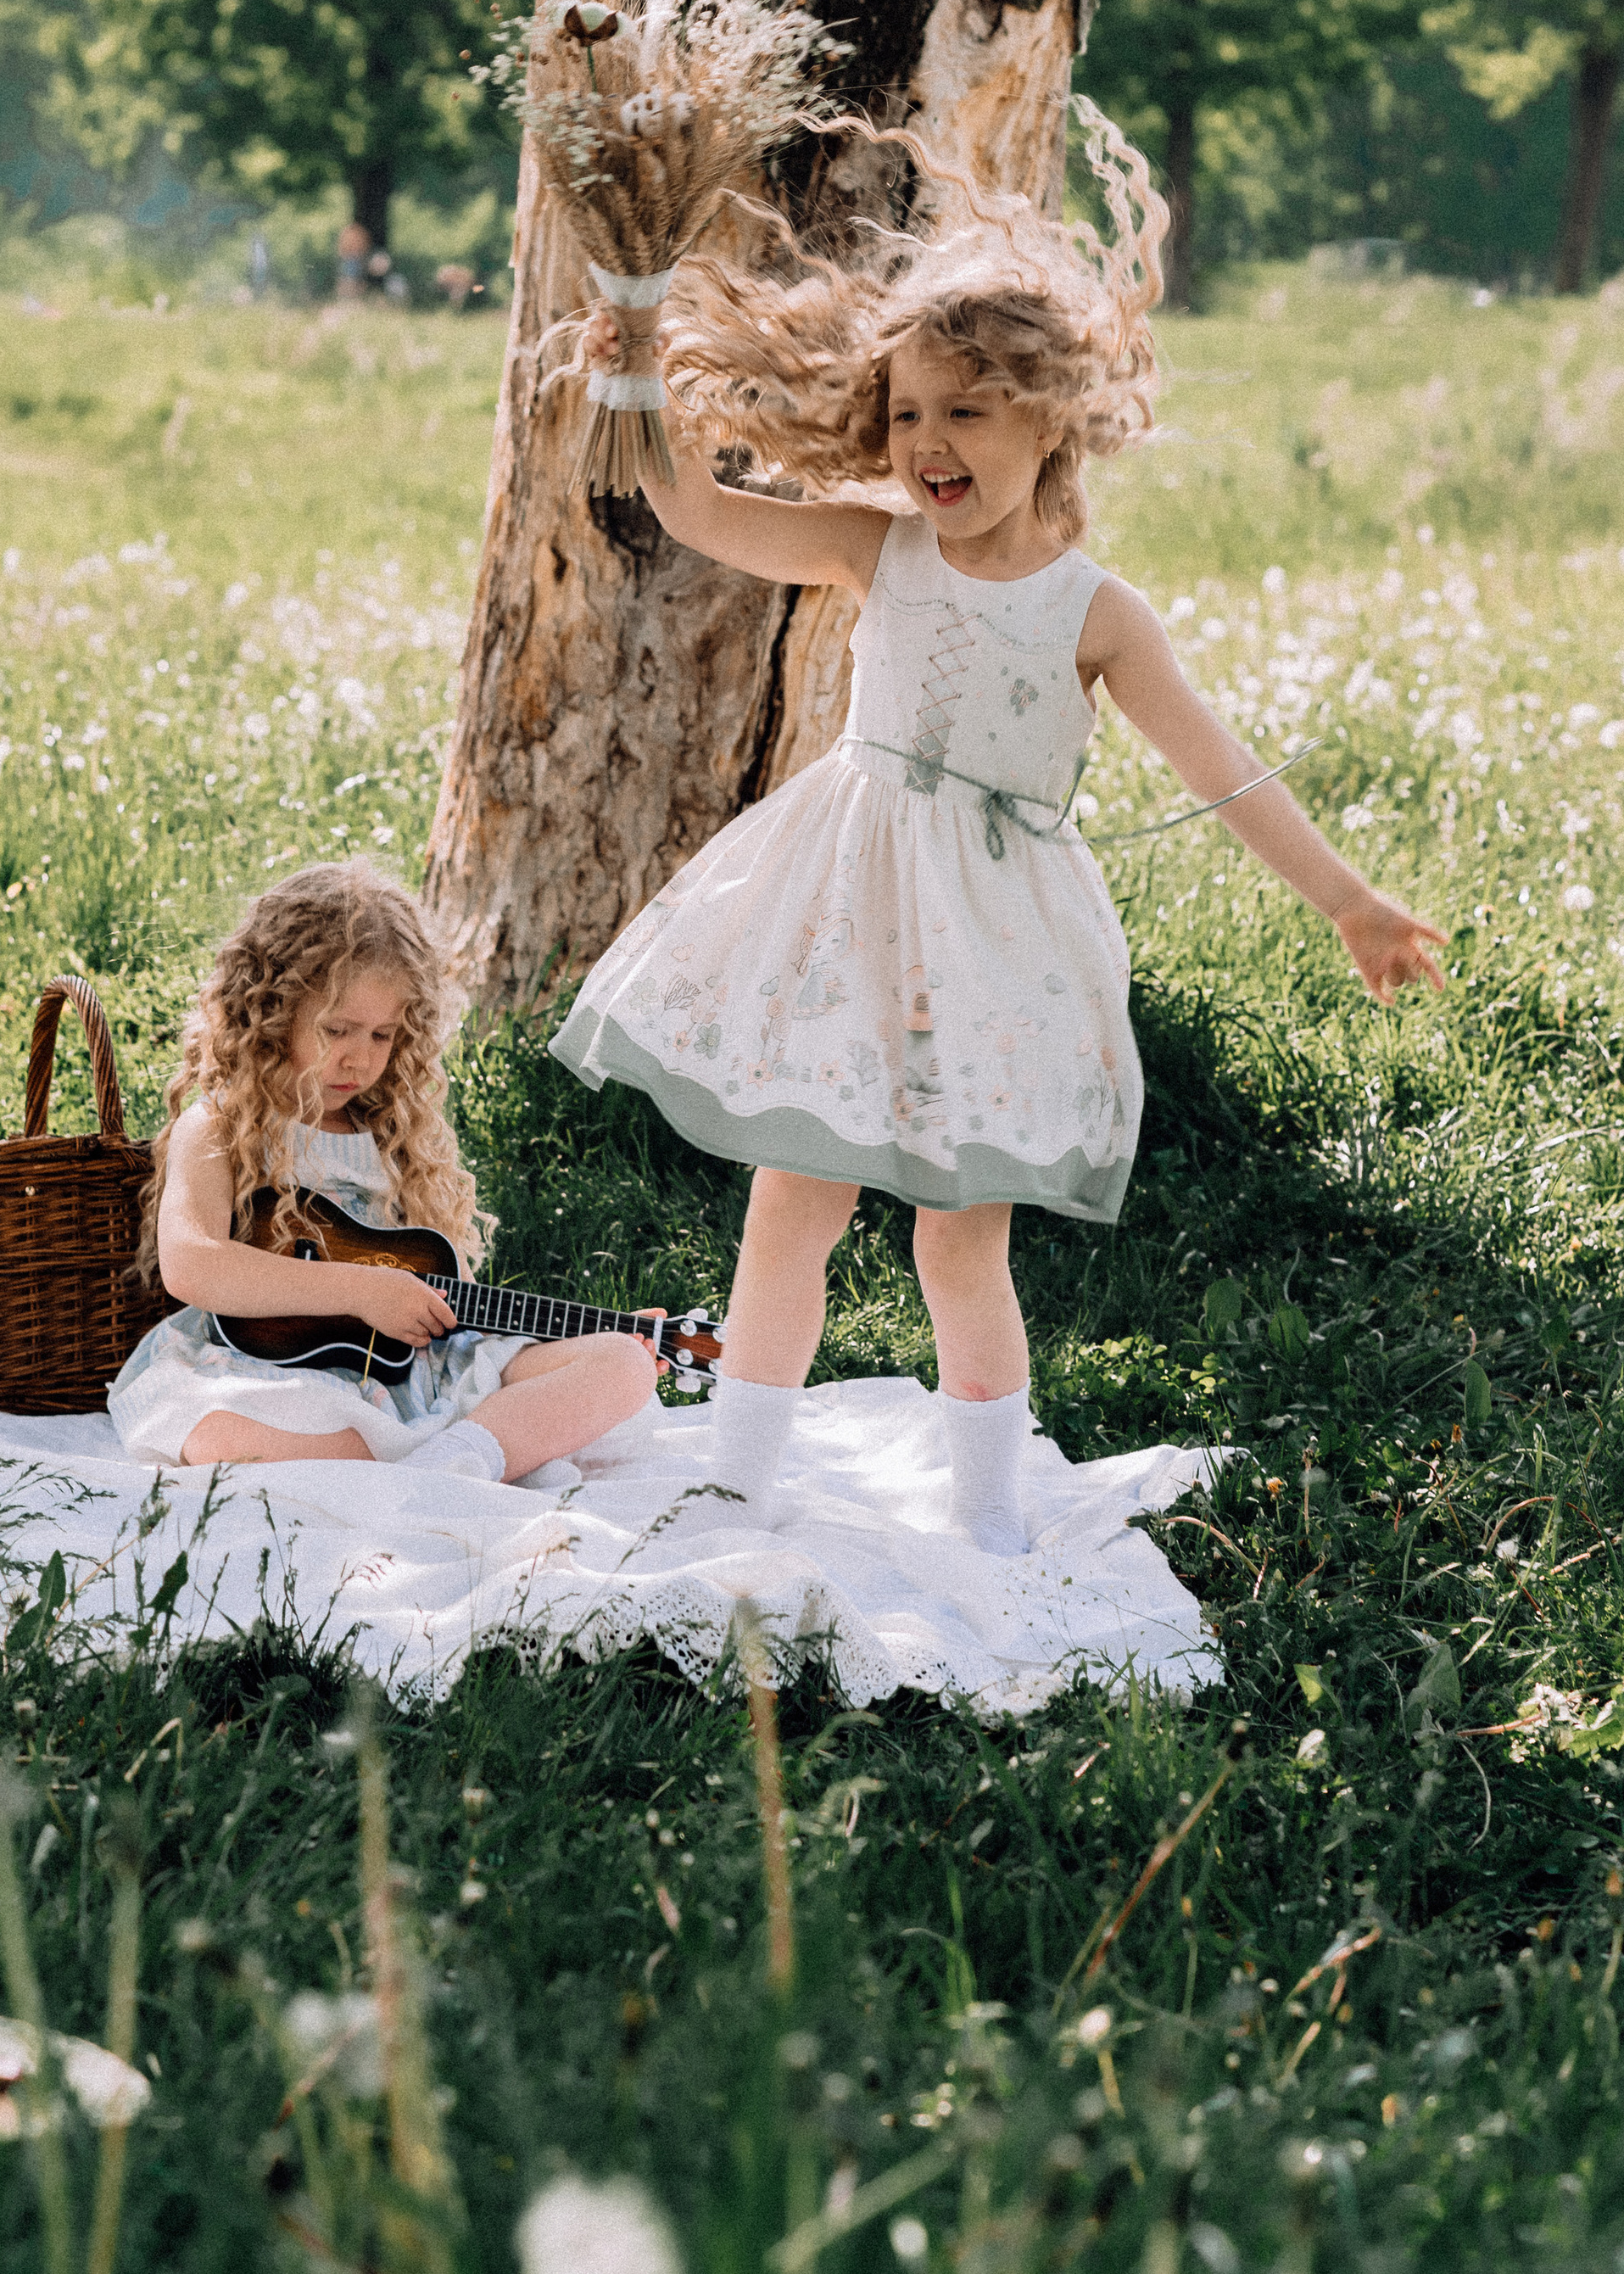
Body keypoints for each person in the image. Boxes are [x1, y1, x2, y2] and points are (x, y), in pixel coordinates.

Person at [557, 119, 1446, 1554]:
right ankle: (738, 1475)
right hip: (847, 901)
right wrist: (636, 358)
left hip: (990, 939)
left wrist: (1348, 898)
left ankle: (990, 1506)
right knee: (796, 1194)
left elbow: (1224, 771)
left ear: (1052, 419)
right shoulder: (876, 541)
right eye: (907, 414)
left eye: (965, 412)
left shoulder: (1099, 609)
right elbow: (688, 502)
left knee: (957, 1231)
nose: (927, 445)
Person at [110, 858, 660, 1478]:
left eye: (381, 1035)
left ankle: (457, 1459)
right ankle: (453, 1455)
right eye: (336, 1029)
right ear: (269, 1011)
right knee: (215, 1433)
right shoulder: (220, 1127)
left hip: (408, 1378)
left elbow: (432, 1304)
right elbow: (192, 1264)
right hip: (270, 1375)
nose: (359, 1058)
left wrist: (577, 1334)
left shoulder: (392, 1134)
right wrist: (360, 1291)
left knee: (624, 1363)